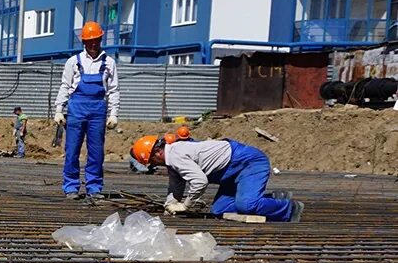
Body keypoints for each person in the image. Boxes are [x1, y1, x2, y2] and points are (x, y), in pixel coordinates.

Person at [130, 134, 303, 221]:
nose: (155, 166)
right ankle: (271, 198)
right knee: (219, 210)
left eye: (152, 162)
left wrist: (185, 205)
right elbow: (176, 186)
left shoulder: (175, 155)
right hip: (229, 173)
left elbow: (199, 181)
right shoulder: (171, 159)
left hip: (248, 162)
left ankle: (289, 209)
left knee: (247, 206)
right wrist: (169, 205)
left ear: (156, 154)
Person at [53, 21, 120, 203]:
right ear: (83, 42)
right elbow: (65, 86)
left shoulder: (109, 63)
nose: (92, 44)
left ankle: (94, 187)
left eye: (96, 40)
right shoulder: (74, 62)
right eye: (89, 41)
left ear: (100, 39)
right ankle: (71, 186)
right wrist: (59, 109)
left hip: (98, 110)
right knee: (72, 149)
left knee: (96, 152)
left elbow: (113, 90)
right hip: (76, 109)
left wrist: (113, 113)